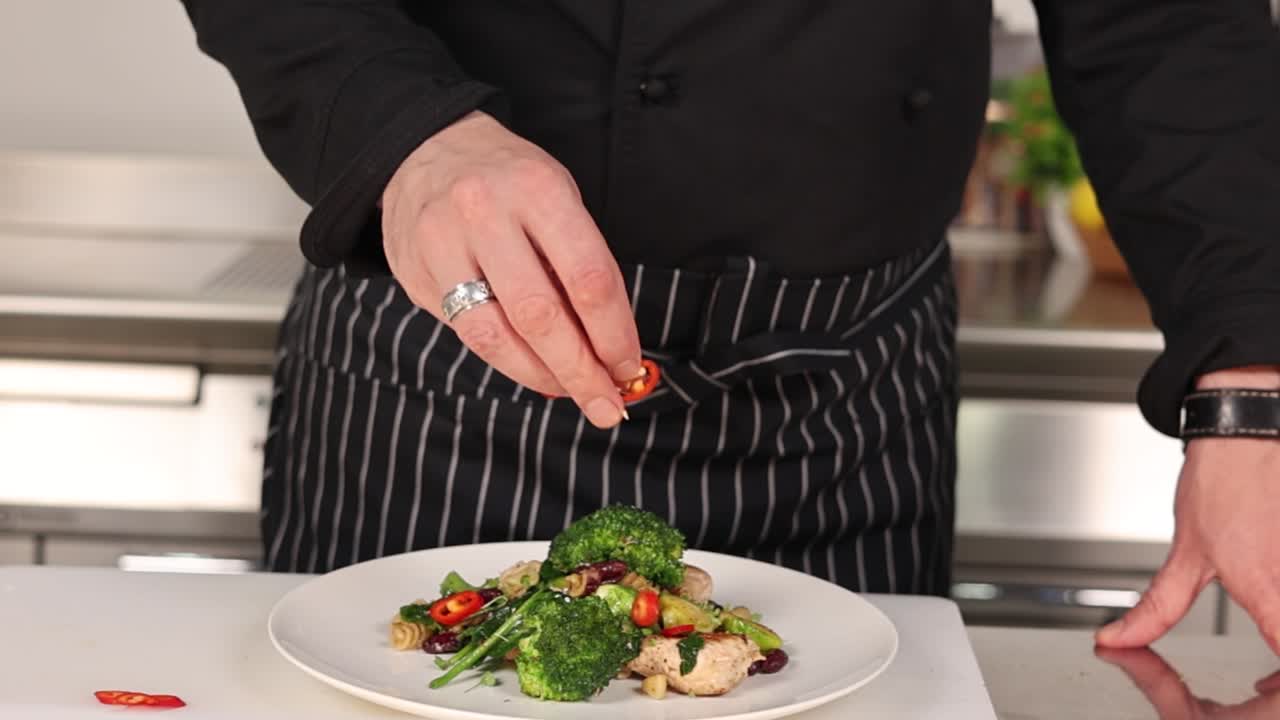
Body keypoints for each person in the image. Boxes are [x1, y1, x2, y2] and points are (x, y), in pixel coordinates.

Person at [180, 1, 1280, 653]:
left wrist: (1248, 380)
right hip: (456, 363)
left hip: (848, 397)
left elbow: (1162, 20)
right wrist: (409, 138)